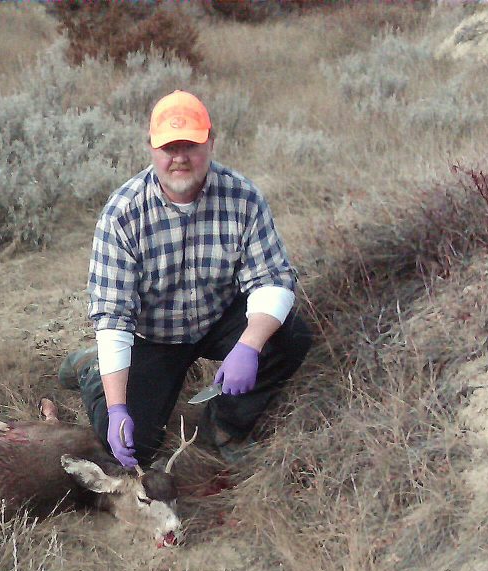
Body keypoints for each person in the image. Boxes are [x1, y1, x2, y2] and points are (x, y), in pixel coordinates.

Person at [59, 90, 312, 467]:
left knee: (290, 336)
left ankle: (226, 426)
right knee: (134, 446)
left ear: (210, 142)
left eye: (190, 145)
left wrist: (248, 346)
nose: (180, 157)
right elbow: (113, 318)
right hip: (152, 335)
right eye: (169, 146)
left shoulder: (242, 197)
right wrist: (116, 409)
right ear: (151, 148)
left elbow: (272, 278)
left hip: (217, 317)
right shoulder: (122, 215)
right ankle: (94, 371)